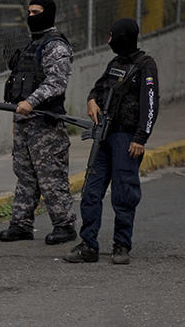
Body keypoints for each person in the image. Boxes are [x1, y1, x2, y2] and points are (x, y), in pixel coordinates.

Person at [64, 18, 159, 265]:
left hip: (127, 138)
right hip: (104, 136)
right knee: (91, 191)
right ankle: (88, 245)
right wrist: (91, 101)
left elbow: (150, 105)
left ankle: (121, 245)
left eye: (111, 35)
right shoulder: (115, 63)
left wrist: (141, 137)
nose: (109, 40)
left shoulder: (145, 66)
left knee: (124, 193)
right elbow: (98, 89)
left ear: (123, 36)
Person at [0, 0, 77, 245]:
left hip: (45, 124)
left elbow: (56, 82)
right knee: (24, 174)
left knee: (50, 175)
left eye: (36, 12)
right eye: (29, 12)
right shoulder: (32, 45)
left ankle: (64, 224)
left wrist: (31, 102)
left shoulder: (56, 46)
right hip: (24, 123)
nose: (31, 16)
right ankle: (21, 223)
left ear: (48, 13)